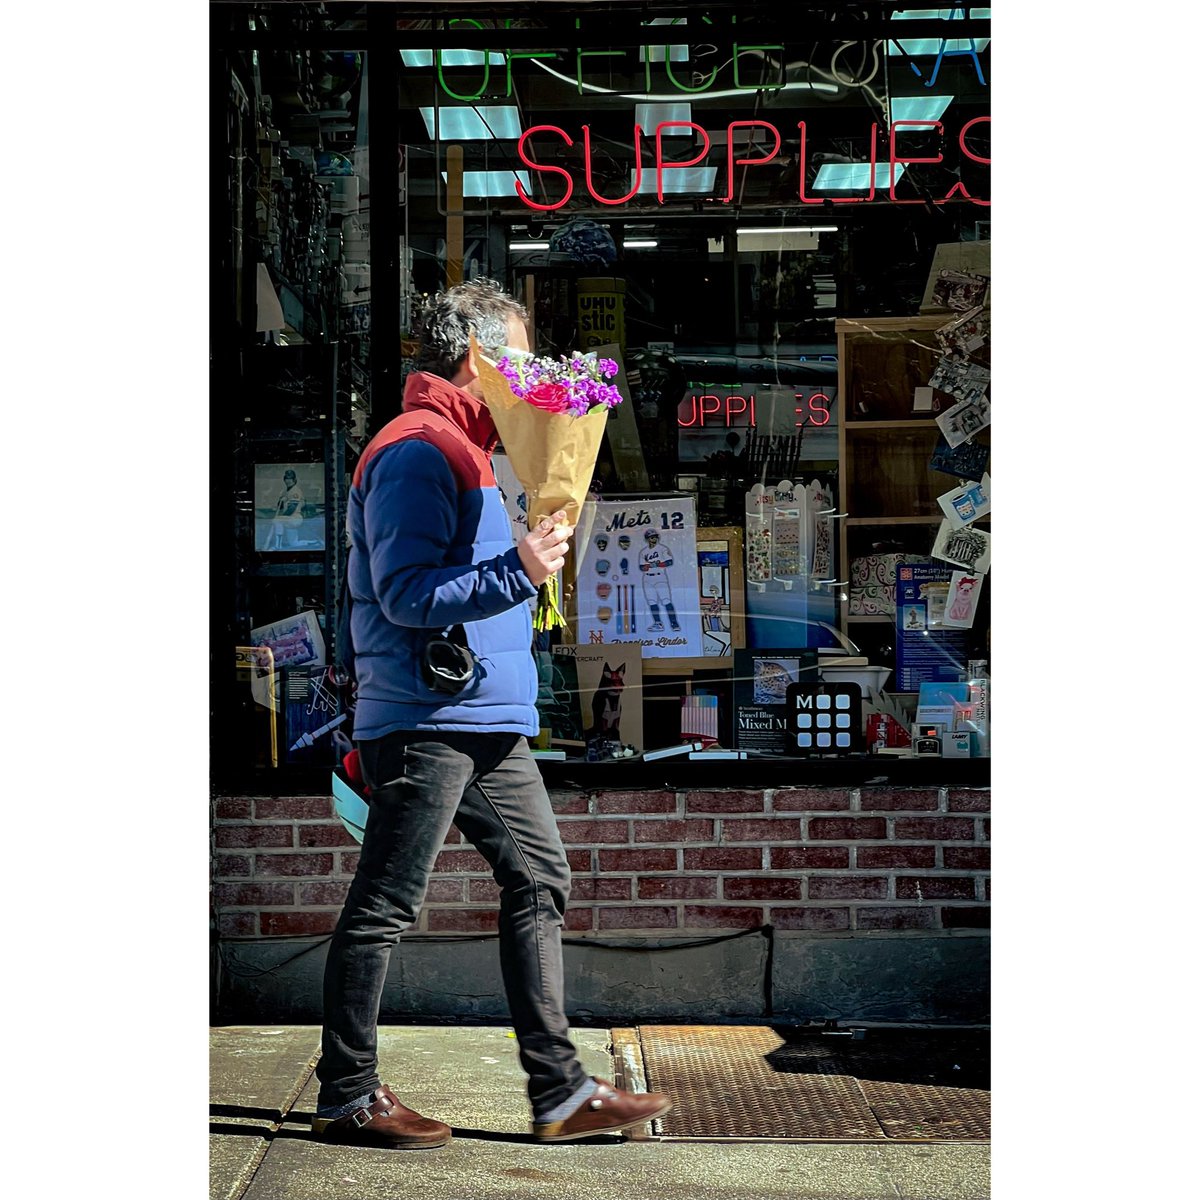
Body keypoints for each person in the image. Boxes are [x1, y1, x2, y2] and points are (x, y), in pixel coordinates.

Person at [313, 278, 671, 1150]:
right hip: (428, 721)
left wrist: (524, 568)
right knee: (386, 907)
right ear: (475, 358)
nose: (529, 375)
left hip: (481, 720)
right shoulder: (416, 451)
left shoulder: (470, 449)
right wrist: (521, 568)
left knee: (540, 878)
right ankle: (347, 1093)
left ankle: (561, 1094)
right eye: (515, 356)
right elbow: (403, 595)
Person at [638, 528, 680, 632]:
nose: (654, 539)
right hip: (647, 578)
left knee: (666, 601)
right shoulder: (644, 552)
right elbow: (641, 567)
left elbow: (669, 562)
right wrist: (650, 565)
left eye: (655, 537)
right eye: (652, 537)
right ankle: (658, 623)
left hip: (660, 576)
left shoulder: (662, 548)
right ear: (647, 539)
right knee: (652, 602)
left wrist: (657, 564)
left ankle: (674, 624)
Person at [264, 468, 305, 550]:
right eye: (286, 478)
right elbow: (280, 506)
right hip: (290, 518)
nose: (288, 480)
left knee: (277, 520)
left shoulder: (296, 491)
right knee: (294, 544)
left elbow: (292, 508)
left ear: (294, 480)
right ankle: (314, 542)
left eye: (290, 478)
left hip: (295, 517)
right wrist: (281, 501)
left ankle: (277, 546)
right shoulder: (285, 491)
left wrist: (281, 518)